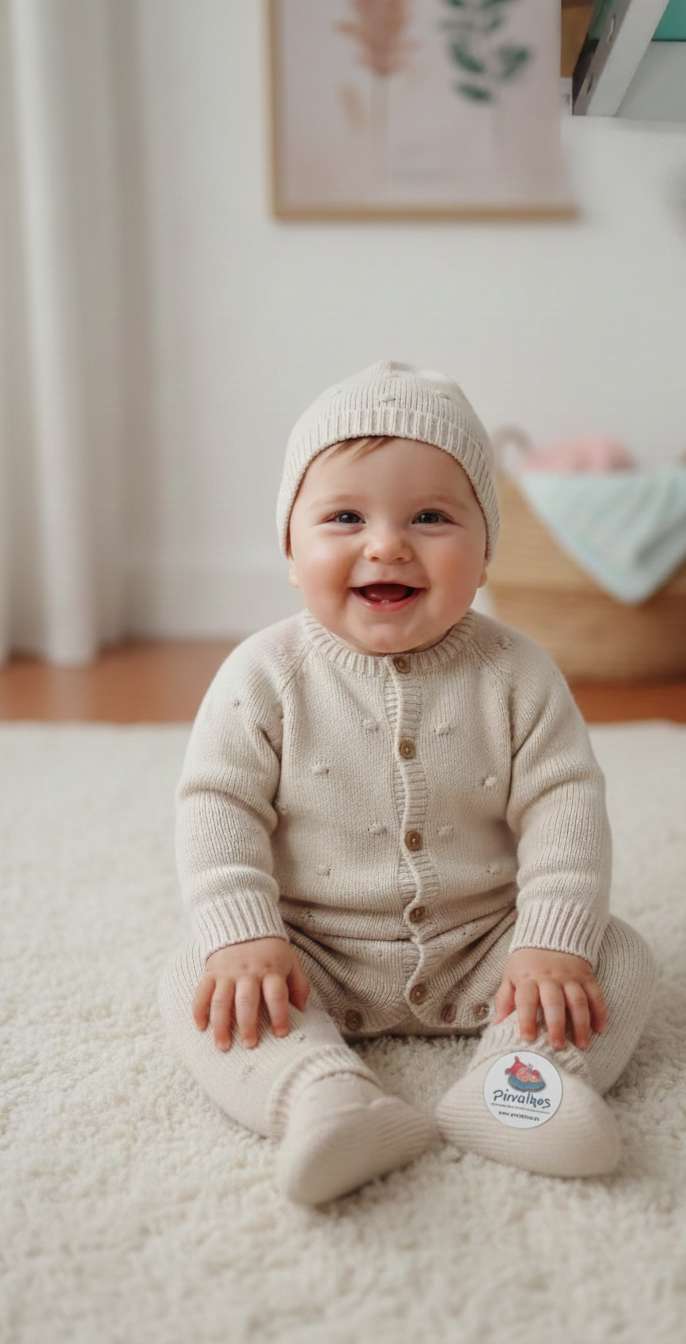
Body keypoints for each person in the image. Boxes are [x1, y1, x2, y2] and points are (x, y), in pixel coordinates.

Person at [158, 361, 655, 1205]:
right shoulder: (263, 674)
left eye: (430, 516)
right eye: (344, 517)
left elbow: (565, 803)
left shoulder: (518, 674)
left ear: (485, 551)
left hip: (486, 948)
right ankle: (322, 1096)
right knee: (196, 975)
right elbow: (217, 804)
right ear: (291, 550)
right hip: (308, 951)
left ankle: (516, 1087)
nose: (386, 544)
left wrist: (548, 942)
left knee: (617, 956)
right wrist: (243, 935)